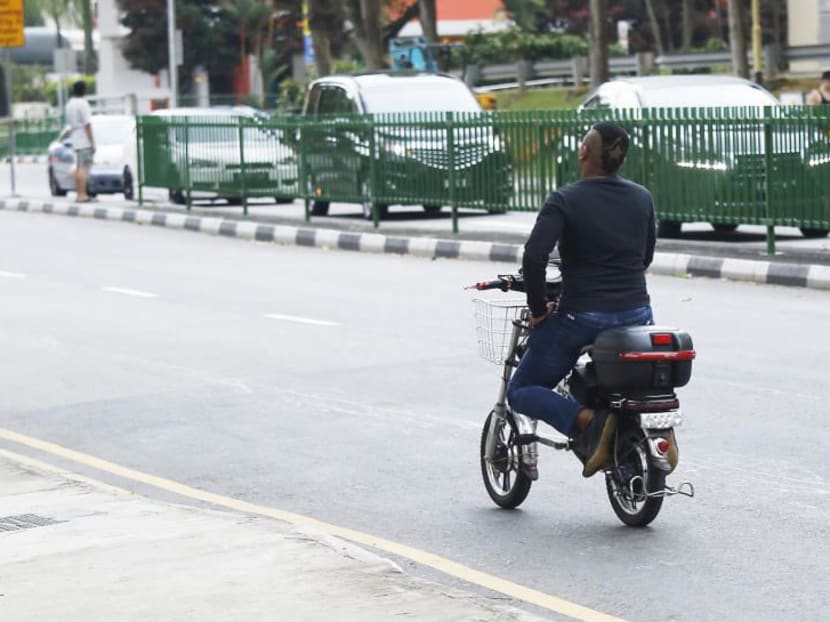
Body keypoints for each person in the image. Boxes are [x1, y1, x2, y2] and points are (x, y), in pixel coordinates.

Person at [506, 121, 656, 480]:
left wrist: (540, 309)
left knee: (522, 389)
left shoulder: (565, 199)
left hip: (582, 316)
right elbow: (645, 257)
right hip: (638, 313)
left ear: (583, 152)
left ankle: (587, 422)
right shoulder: (641, 197)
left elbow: (534, 257)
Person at [64, 80, 96, 202]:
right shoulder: (83, 104)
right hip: (83, 139)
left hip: (74, 138)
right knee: (83, 168)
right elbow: (87, 124)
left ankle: (79, 193)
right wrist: (92, 142)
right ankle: (82, 195)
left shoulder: (69, 104)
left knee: (78, 168)